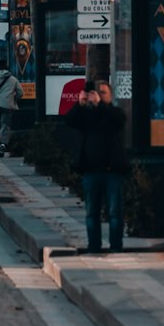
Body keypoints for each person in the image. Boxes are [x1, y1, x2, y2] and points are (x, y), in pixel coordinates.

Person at [64, 79, 129, 252]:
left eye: (103, 93)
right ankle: (94, 246)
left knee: (115, 213)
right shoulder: (86, 115)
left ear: (110, 96)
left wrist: (100, 105)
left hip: (112, 171)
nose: (98, 96)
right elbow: (69, 120)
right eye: (96, 93)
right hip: (90, 172)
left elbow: (118, 121)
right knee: (91, 213)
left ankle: (116, 246)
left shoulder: (113, 113)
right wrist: (80, 103)